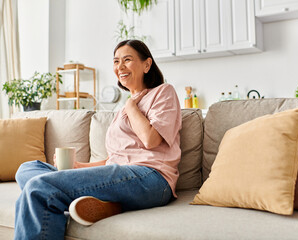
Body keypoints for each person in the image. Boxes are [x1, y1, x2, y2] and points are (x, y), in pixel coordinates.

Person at [14, 39, 182, 240]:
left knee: (38, 188)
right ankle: (108, 205)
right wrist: (77, 166)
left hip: (152, 178)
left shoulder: (163, 92)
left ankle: (102, 202)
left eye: (127, 60)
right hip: (123, 176)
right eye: (116, 61)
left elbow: (150, 140)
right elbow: (114, 161)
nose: (120, 67)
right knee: (28, 168)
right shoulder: (119, 113)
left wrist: (130, 106)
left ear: (147, 64)